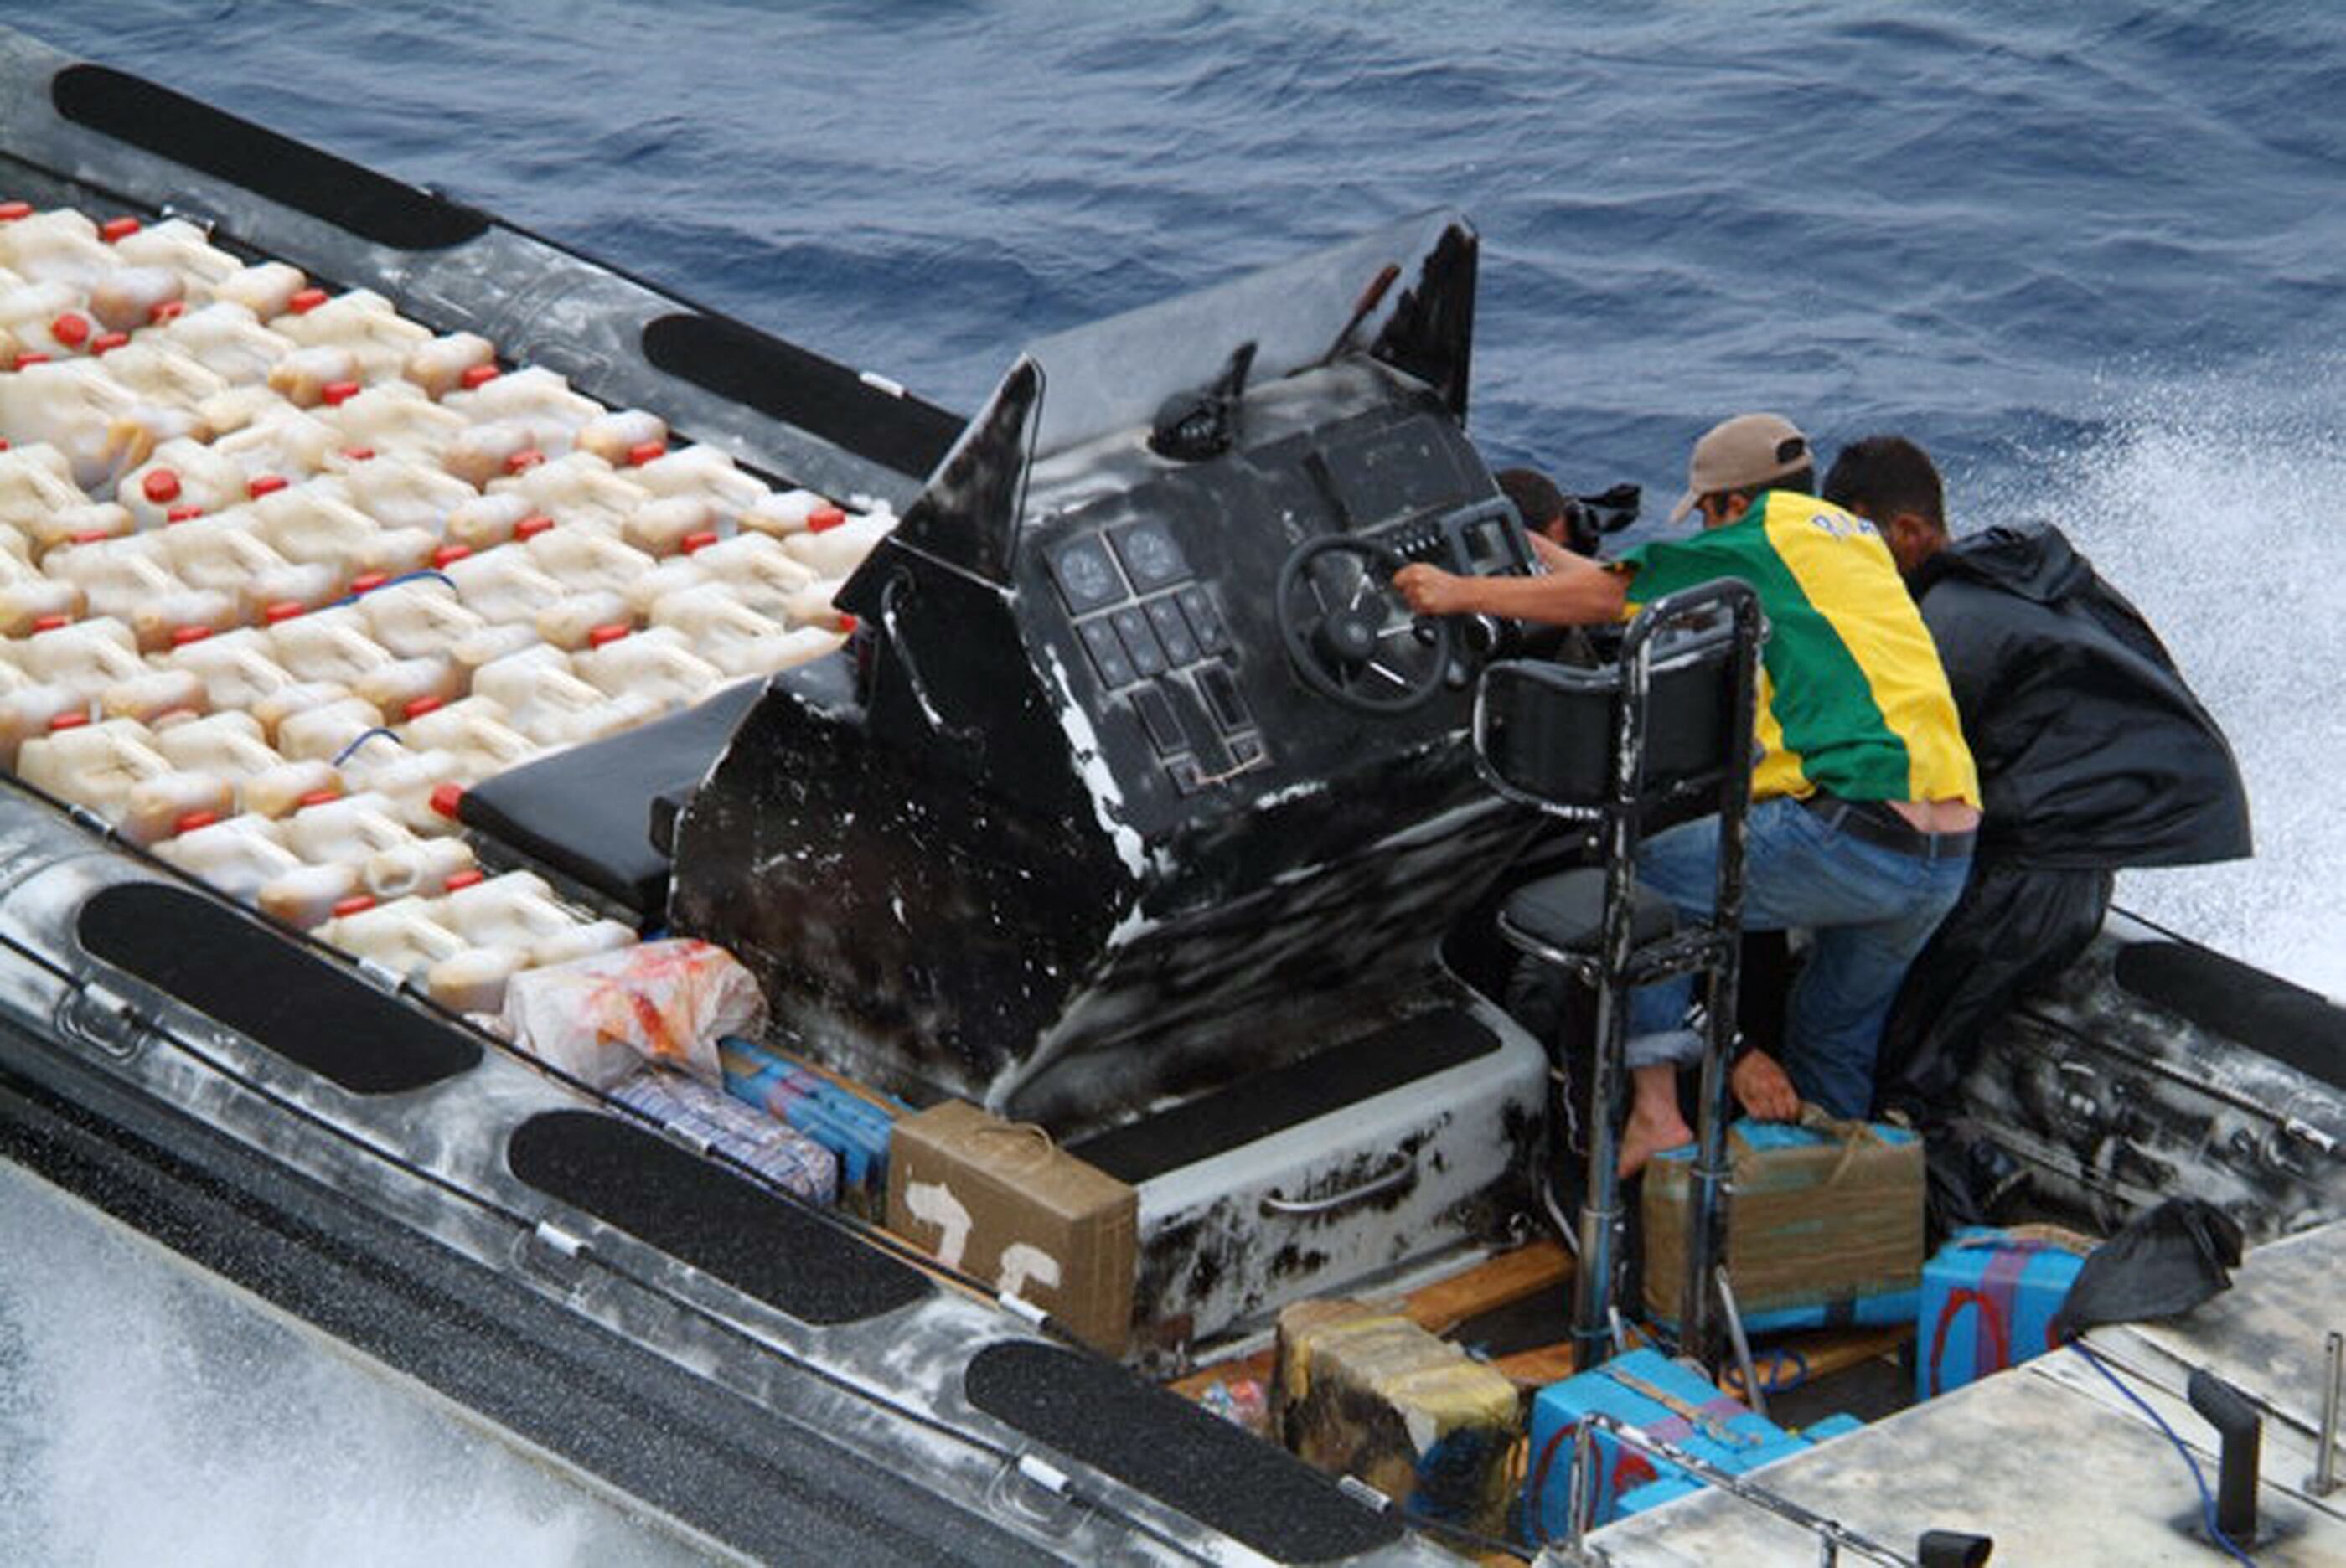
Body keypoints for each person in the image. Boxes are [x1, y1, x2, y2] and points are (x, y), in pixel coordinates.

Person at [1398, 413, 1981, 1174]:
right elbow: (1626, 580)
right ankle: (1822, 1225)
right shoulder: (1846, 541)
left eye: (1707, 512)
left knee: (1650, 884)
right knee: (1833, 1038)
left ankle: (1658, 1114)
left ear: (1735, 505)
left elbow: (1612, 603)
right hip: (1943, 854)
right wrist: (1529, 552)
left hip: (1858, 835)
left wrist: (1452, 591)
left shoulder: (1760, 537)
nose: (1706, 527)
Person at [1821, 435, 2250, 1207]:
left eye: (1857, 542)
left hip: (2028, 880)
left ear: (1909, 532)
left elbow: (1891, 769)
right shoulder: (2020, 577)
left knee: (1904, 1068)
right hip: (2077, 864)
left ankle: (1923, 1248)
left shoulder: (1946, 620)